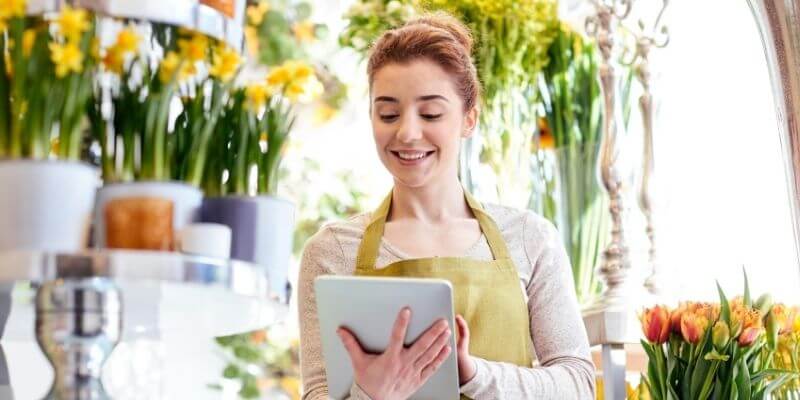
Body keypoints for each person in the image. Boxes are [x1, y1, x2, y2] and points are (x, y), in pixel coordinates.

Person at [298, 12, 596, 400]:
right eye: (388, 113)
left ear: (469, 118)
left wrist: (472, 374)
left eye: (431, 113)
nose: (407, 132)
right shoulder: (333, 250)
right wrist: (371, 394)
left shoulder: (529, 237)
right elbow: (318, 392)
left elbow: (578, 385)